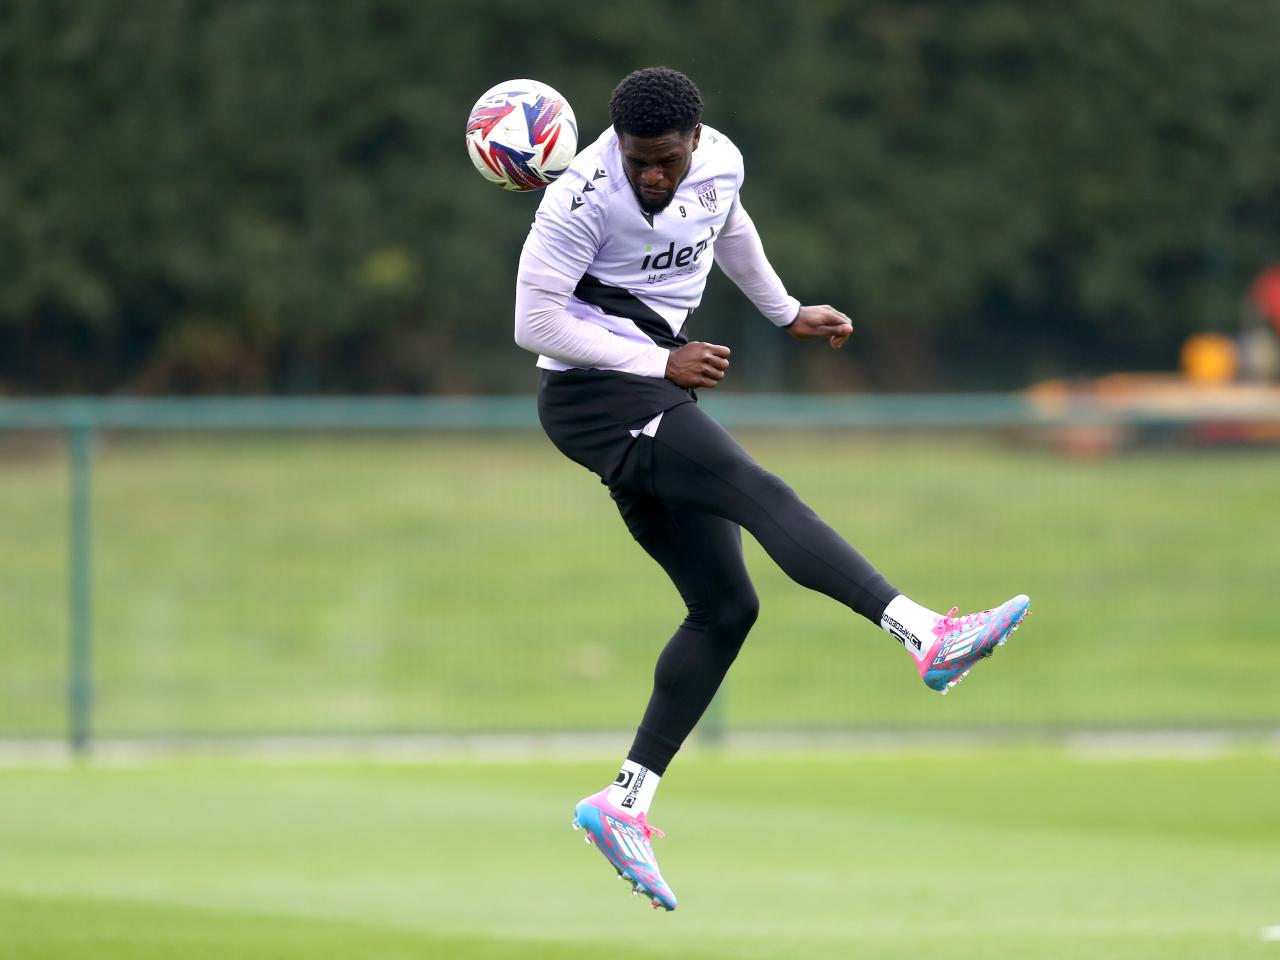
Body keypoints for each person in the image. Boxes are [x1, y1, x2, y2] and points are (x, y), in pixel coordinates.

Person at [513, 67, 1029, 912]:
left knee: (726, 608)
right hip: (593, 399)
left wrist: (786, 312)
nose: (653, 175)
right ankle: (927, 636)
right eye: (639, 160)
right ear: (617, 147)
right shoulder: (577, 197)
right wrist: (659, 361)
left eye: (666, 160)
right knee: (759, 490)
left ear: (694, 141)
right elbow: (534, 323)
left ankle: (623, 802)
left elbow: (729, 227)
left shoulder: (719, 164)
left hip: (649, 393)